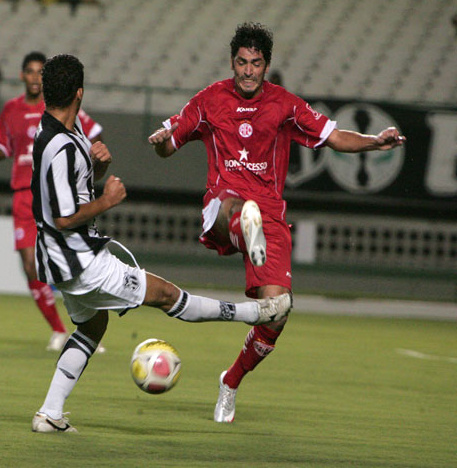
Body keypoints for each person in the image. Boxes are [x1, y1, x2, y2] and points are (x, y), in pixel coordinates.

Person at [148, 22, 405, 424]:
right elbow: (168, 145)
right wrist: (161, 140)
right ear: (232, 62)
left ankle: (230, 382)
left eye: (256, 63)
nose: (248, 71)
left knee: (277, 313)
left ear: (266, 65)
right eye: (241, 62)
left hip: (269, 216)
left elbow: (335, 138)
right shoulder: (208, 100)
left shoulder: (285, 105)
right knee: (231, 206)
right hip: (223, 205)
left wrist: (375, 141)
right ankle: (242, 228)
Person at [30, 54, 292, 433]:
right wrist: (108, 200)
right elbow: (63, 216)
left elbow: (69, 189)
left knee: (91, 328)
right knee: (168, 296)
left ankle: (50, 414)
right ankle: (256, 313)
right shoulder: (61, 146)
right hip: (79, 259)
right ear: (80, 93)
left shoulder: (63, 135)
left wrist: (97, 168)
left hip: (62, 260)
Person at [0, 51, 102, 352]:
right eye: (30, 71)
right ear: (22, 75)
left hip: (56, 191)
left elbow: (92, 134)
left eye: (40, 72)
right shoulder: (10, 109)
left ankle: (87, 330)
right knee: (29, 266)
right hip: (23, 193)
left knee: (72, 263)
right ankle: (59, 330)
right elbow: (2, 147)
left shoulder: (57, 105)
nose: (35, 77)